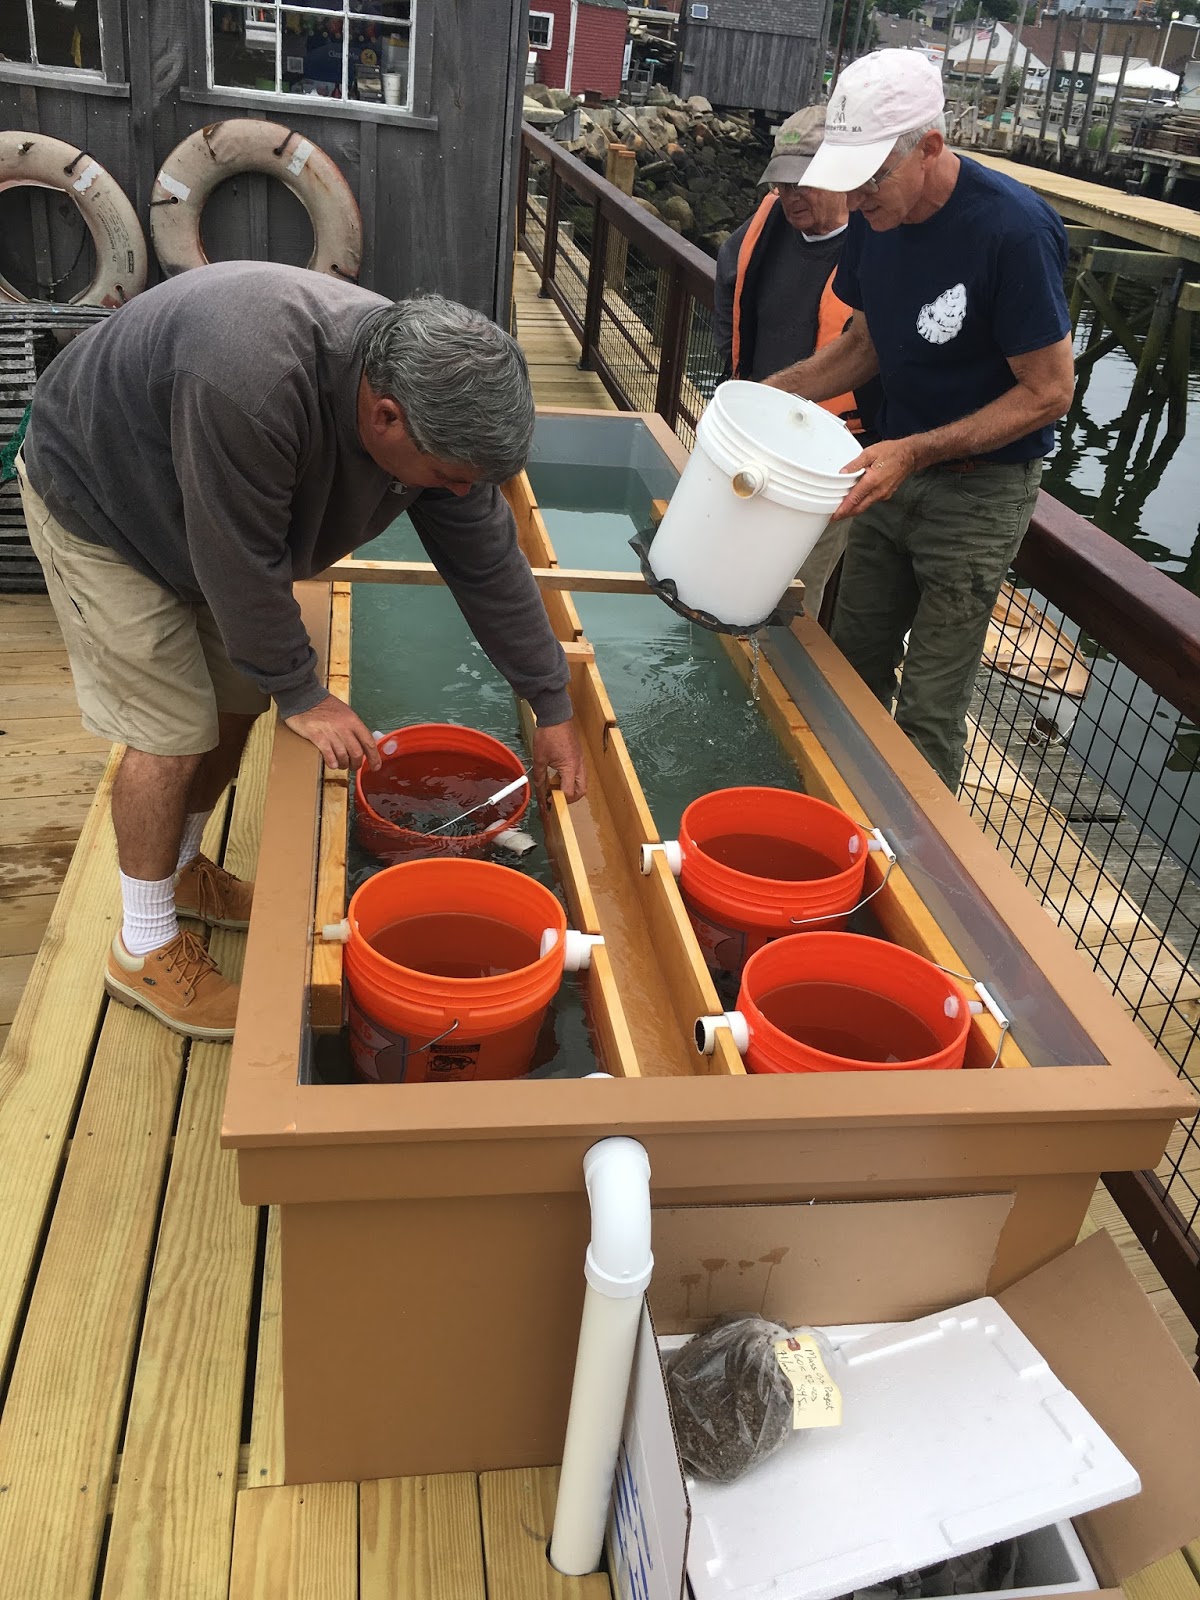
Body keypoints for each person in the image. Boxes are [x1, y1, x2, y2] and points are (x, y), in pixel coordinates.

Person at [16, 262, 586, 1042]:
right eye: (448, 478)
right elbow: (237, 559)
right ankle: (142, 945)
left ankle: (180, 870)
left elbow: (488, 562)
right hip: (100, 500)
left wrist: (548, 697)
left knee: (238, 702)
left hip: (203, 510)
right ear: (385, 416)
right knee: (170, 732)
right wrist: (304, 690)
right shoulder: (250, 383)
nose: (458, 493)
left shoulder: (432, 405)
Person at [766, 50, 1075, 791]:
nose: (857, 196)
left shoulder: (1015, 231)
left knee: (931, 707)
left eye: (872, 175)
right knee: (849, 661)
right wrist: (772, 395)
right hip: (888, 471)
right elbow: (865, 343)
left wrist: (916, 451)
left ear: (931, 146)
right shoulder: (878, 216)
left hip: (977, 493)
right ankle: (837, 813)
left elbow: (1050, 392)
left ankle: (912, 878)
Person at [713, 105, 879, 619]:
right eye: (782, 183)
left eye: (804, 182)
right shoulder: (760, 231)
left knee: (791, 596)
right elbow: (727, 298)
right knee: (727, 567)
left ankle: (780, 683)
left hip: (829, 462)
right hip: (755, 441)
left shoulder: (879, 247)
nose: (790, 196)